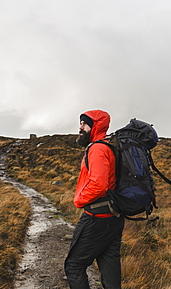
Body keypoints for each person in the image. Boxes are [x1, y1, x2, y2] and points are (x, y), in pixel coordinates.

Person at [64, 109, 124, 289]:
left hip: (97, 218)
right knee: (109, 263)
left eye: (84, 123)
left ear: (95, 126)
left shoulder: (97, 148)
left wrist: (79, 200)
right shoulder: (107, 147)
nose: (80, 127)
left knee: (74, 265)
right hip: (113, 216)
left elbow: (99, 184)